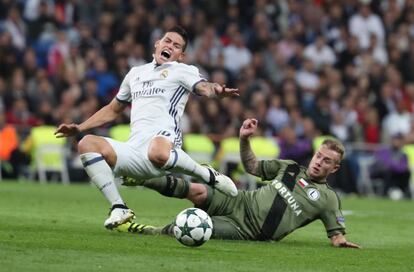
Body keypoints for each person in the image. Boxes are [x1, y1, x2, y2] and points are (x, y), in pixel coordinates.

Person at [54, 26, 239, 229]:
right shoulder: (136, 73)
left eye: (176, 46)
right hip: (135, 149)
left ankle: (207, 175)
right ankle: (119, 207)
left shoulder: (182, 70)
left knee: (157, 151)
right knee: (87, 143)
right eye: (167, 41)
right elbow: (113, 109)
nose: (170, 46)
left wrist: (216, 90)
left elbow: (204, 87)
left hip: (165, 142)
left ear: (181, 55)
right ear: (157, 43)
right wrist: (80, 128)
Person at [117, 118, 361, 248]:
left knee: (198, 227)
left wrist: (340, 242)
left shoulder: (328, 198)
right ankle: (139, 177)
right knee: (198, 190)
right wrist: (244, 140)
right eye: (319, 155)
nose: (319, 162)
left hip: (248, 230)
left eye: (327, 161)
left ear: (335, 168)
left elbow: (336, 235)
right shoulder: (289, 167)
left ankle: (151, 231)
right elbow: (253, 166)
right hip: (239, 199)